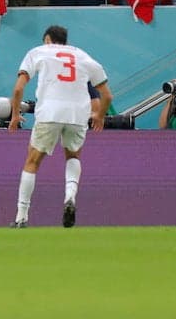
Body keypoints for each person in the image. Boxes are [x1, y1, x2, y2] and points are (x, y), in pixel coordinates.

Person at [10, 25, 112, 228]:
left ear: (47, 39)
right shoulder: (83, 56)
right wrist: (100, 116)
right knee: (73, 156)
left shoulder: (39, 52)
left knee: (32, 161)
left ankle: (21, 217)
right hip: (78, 114)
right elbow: (107, 95)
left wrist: (14, 115)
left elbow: (19, 88)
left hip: (49, 112)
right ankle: (70, 196)